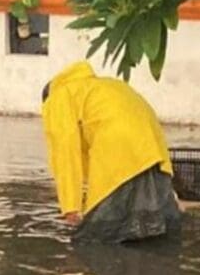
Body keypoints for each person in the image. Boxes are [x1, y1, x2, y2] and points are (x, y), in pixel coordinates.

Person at [41, 61, 181, 243]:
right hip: (151, 144)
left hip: (117, 145)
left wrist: (70, 207)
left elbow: (65, 149)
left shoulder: (59, 97)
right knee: (156, 222)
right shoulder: (102, 85)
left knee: (96, 236)